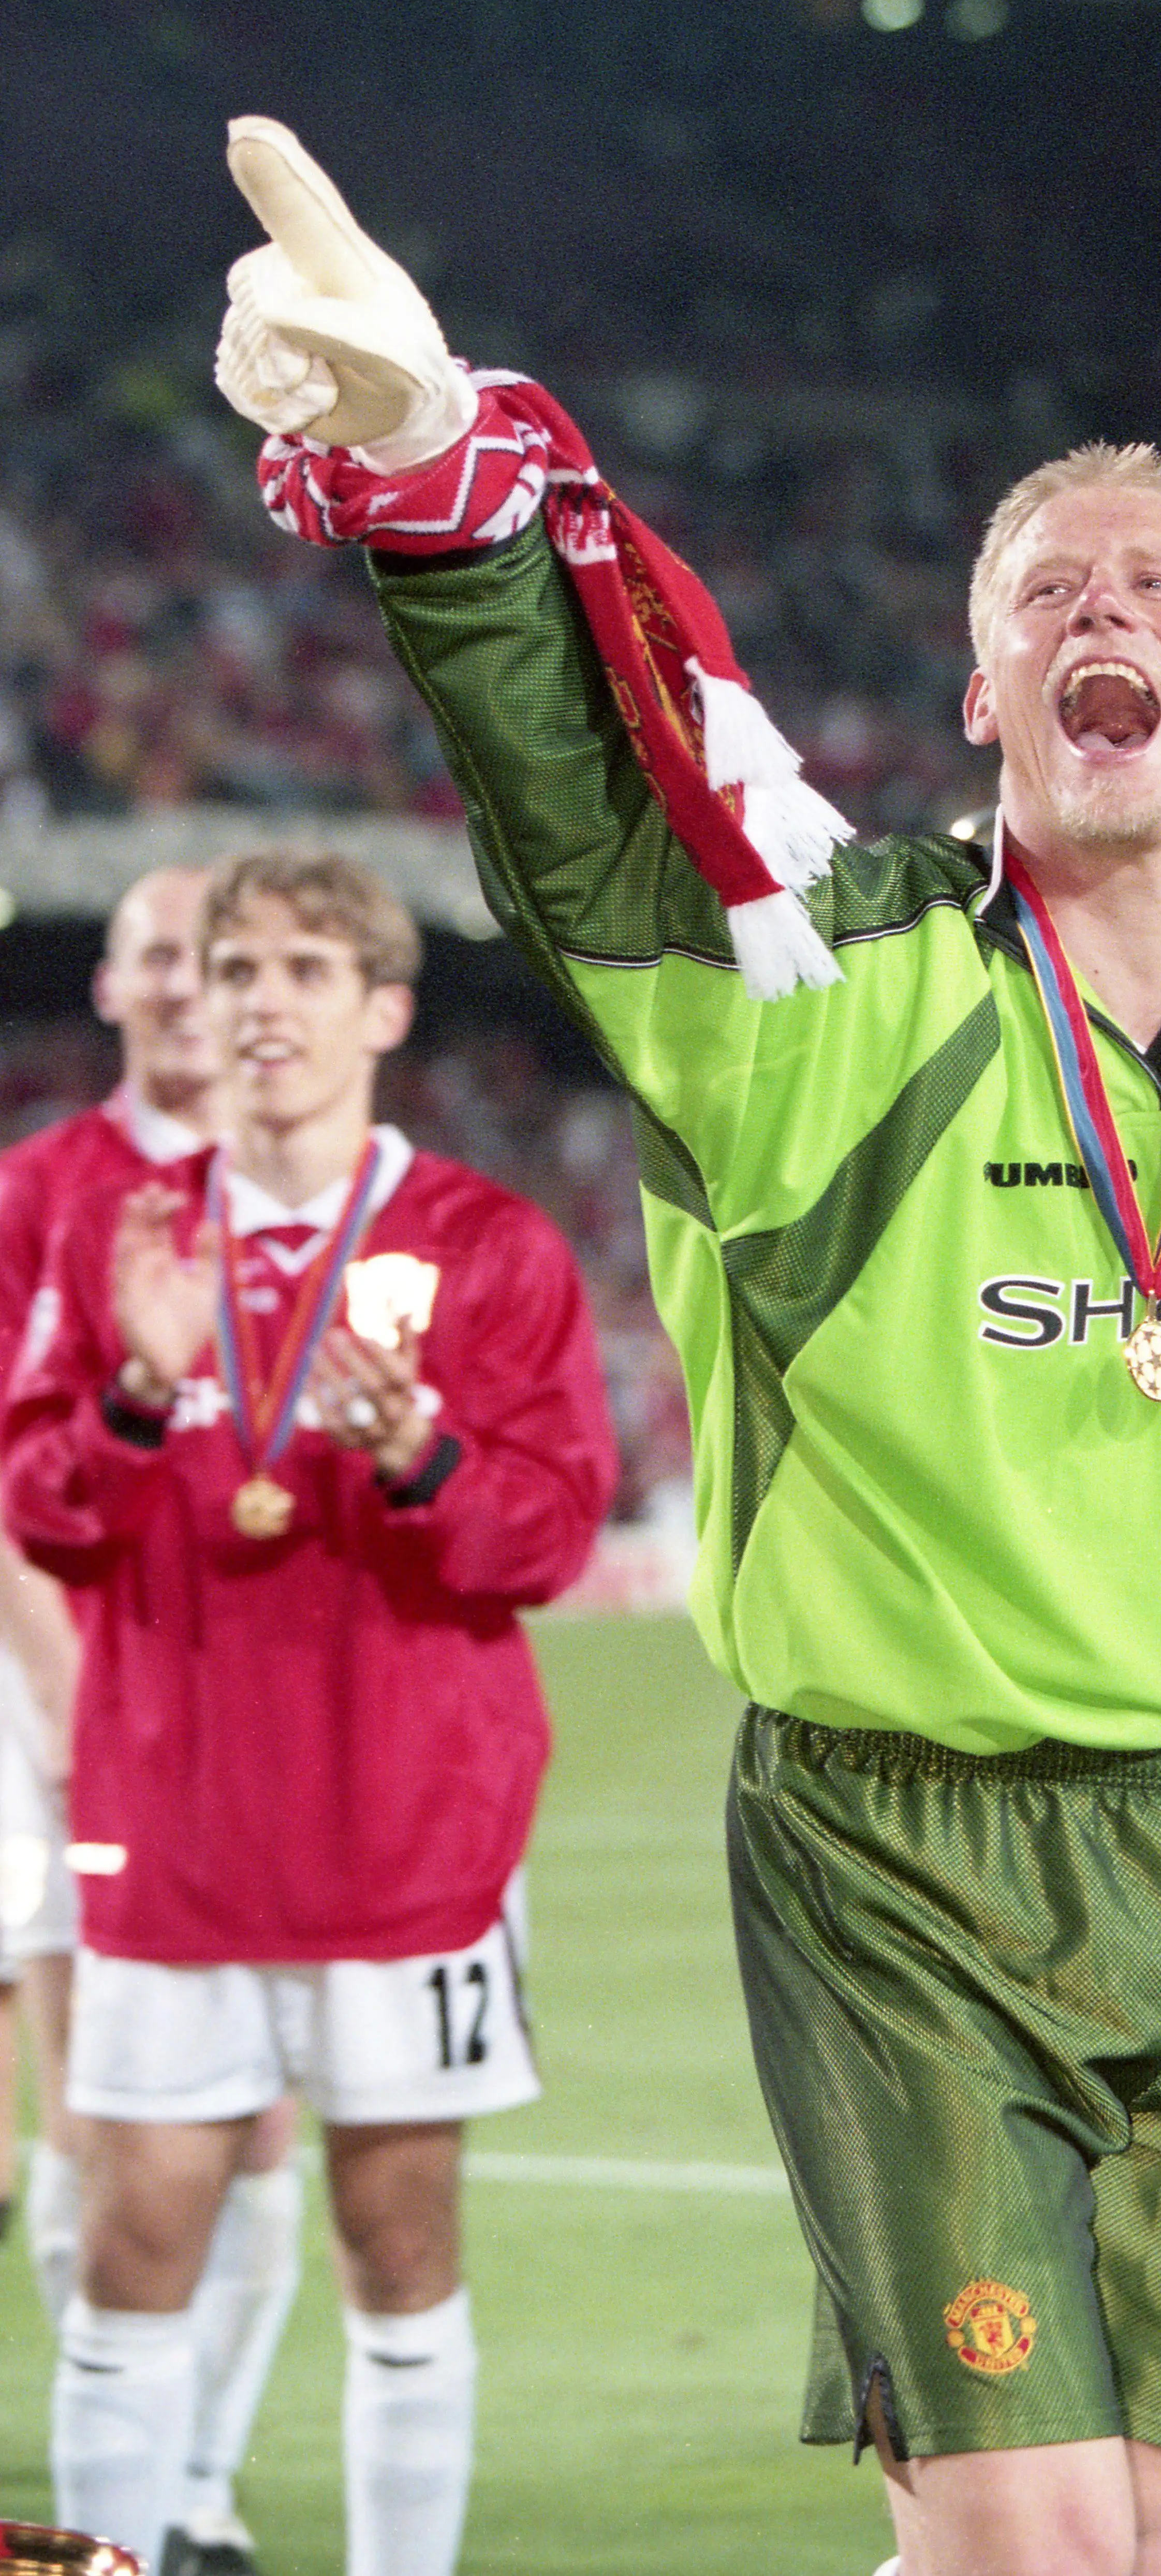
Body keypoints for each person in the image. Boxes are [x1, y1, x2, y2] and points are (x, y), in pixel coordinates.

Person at [213, 117, 1161, 2576]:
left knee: (1107, 2544)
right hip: (911, 1860)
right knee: (1053, 2555)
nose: (1112, 612)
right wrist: (434, 485)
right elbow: (575, 812)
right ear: (984, 682)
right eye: (1051, 590)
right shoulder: (827, 982)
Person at [5, 848, 619, 2576]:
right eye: (236, 968)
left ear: (383, 1010)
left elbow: (551, 1534)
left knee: (400, 2246)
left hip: (408, 1841)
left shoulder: (486, 1246)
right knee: (133, 2250)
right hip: (176, 1830)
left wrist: (413, 1451)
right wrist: (135, 1385)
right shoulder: (127, 1236)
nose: (259, 1000)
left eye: (302, 969)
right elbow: (40, 1505)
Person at [0, 868, 306, 2576]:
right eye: (165, 956)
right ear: (112, 984)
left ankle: (195, 2482)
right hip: (73, 1708)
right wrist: (69, 1705)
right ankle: (118, 2485)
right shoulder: (40, 1189)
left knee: (261, 2122)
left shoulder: (301, 1189)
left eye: (228, 958)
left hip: (257, 1727)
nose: (195, 986)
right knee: (92, 2108)